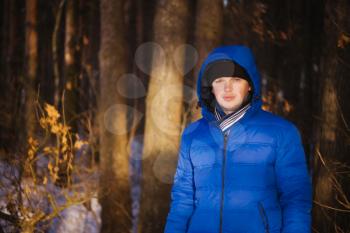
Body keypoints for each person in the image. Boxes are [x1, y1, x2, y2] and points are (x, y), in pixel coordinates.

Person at [164, 45, 312, 233]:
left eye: (236, 79)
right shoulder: (193, 135)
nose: (227, 88)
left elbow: (296, 199)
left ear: (250, 85)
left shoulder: (282, 132)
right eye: (219, 80)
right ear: (210, 87)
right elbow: (182, 199)